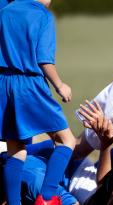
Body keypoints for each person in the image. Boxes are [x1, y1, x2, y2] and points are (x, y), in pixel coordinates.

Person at [0, 0, 76, 204]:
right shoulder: (42, 15)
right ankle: (48, 197)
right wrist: (59, 85)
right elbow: (44, 59)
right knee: (66, 140)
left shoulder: (4, 11)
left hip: (4, 84)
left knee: (16, 149)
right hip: (30, 85)